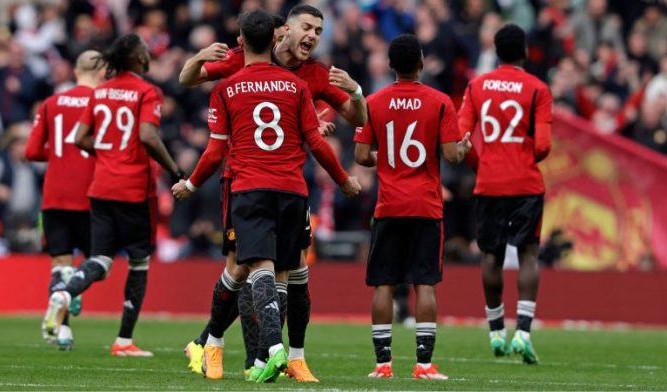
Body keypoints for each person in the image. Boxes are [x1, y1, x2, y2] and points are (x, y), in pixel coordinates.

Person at [179, 4, 367, 382]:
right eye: (307, 27)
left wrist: (357, 93)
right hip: (243, 180)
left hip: (289, 182)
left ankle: (271, 356)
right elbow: (188, 79)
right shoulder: (242, 62)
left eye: (318, 30)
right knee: (244, 267)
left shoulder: (314, 74)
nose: (313, 36)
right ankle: (222, 347)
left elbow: (357, 118)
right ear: (283, 32)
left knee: (285, 270)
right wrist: (199, 56)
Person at [42, 33, 184, 357]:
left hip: (100, 187)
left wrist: (107, 154)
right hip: (133, 190)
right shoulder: (148, 91)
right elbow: (148, 136)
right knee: (139, 262)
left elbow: (80, 137)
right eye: (145, 50)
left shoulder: (101, 91)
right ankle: (123, 341)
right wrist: (176, 170)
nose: (149, 55)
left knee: (101, 259)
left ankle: (64, 293)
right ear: (136, 58)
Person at [354, 34, 470, 380]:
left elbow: (361, 156)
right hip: (426, 205)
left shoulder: (373, 102)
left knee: (384, 285)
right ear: (420, 63)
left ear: (390, 66)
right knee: (426, 284)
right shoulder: (439, 102)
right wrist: (462, 149)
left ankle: (382, 365)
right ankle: (423, 365)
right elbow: (451, 155)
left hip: (389, 205)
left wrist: (387, 157)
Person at [458, 24, 553, 364]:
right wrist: (525, 157)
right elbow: (543, 145)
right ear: (524, 51)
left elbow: (460, 138)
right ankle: (523, 334)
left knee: (491, 256)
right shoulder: (538, 88)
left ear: (496, 52)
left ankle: (496, 330)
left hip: (490, 182)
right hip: (526, 183)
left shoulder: (477, 86)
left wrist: (479, 164)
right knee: (528, 255)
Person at [25, 50, 105, 350]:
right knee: (99, 258)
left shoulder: (50, 103)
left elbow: (32, 152)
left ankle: (63, 332)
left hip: (54, 196)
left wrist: (59, 154)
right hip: (91, 195)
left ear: (75, 71)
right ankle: (75, 287)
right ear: (102, 71)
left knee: (59, 265)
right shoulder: (102, 103)